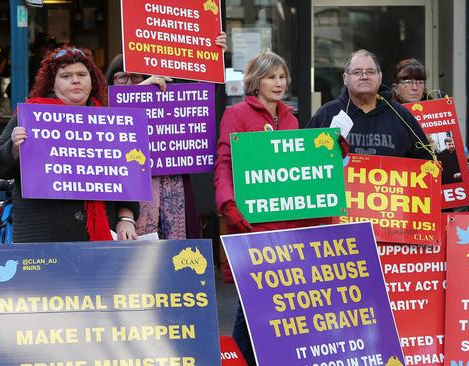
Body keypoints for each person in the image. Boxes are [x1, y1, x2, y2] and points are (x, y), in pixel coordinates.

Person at [215, 51, 338, 366]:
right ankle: (238, 360)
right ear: (256, 81)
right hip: (252, 225)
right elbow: (225, 164)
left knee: (278, 306)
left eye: (282, 77)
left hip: (288, 227)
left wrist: (331, 154)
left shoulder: (292, 118)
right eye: (271, 77)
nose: (278, 83)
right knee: (252, 303)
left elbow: (298, 170)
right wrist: (229, 205)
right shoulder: (237, 114)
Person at [0, 46, 139, 242]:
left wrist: (126, 218)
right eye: (66, 76)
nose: (75, 80)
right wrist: (14, 148)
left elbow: (128, 177)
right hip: (43, 237)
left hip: (98, 239)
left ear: (91, 80)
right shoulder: (31, 115)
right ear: (53, 83)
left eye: (81, 74)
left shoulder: (111, 120)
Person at [104, 33, 227, 239]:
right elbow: (116, 115)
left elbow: (198, 100)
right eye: (120, 78)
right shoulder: (102, 109)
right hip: (130, 199)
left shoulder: (163, 100)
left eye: (135, 77)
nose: (128, 83)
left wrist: (213, 55)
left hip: (172, 185)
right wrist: (140, 90)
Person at [307, 49, 432, 160]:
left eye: (370, 72)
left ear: (380, 77)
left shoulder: (402, 116)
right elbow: (306, 159)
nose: (364, 76)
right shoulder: (326, 114)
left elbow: (426, 161)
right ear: (345, 78)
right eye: (357, 72)